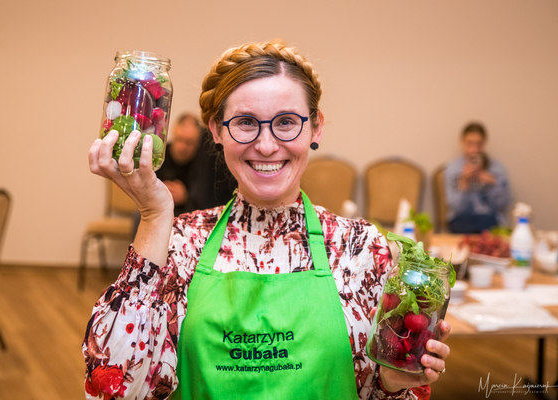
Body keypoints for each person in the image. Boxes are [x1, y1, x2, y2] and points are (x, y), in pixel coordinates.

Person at [84, 41, 451, 399]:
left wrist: (390, 384)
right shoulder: (178, 243)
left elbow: (386, 391)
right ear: (216, 130)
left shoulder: (362, 250)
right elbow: (116, 391)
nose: (266, 145)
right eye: (245, 122)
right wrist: (154, 214)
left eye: (287, 122)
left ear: (316, 128)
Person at [444, 122, 511, 234]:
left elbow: (502, 206)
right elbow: (456, 209)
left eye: (478, 144)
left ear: (484, 143)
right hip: (462, 221)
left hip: (491, 220)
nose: (474, 149)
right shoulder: (452, 170)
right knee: (459, 222)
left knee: (488, 222)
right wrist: (464, 182)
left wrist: (493, 184)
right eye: (470, 144)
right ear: (462, 142)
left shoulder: (497, 169)